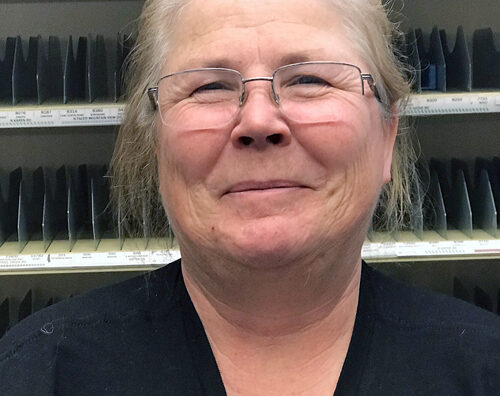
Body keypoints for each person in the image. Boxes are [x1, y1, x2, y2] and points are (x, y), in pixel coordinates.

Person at [1, 0, 499, 394]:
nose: (258, 121)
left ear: (387, 135)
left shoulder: (484, 367)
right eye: (209, 87)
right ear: (155, 144)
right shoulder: (36, 375)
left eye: (310, 79)